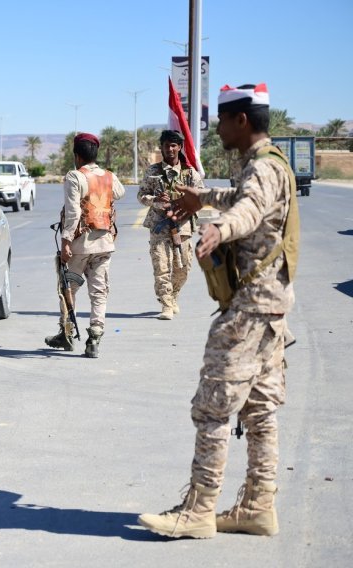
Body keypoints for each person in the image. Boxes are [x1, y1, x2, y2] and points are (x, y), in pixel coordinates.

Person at [138, 83, 299, 539]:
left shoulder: (261, 172)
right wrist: (203, 198)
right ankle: (257, 506)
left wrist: (218, 229)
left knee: (212, 408)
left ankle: (198, 511)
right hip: (270, 311)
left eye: (223, 121)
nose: (219, 130)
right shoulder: (270, 165)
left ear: (241, 121)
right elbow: (244, 199)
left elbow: (247, 210)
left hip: (247, 310)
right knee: (260, 410)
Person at [44, 132, 125, 357]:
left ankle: (67, 334)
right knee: (99, 293)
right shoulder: (109, 176)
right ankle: (94, 339)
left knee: (68, 290)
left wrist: (66, 241)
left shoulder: (74, 177)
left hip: (81, 245)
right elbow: (119, 192)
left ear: (77, 156)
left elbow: (73, 212)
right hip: (105, 243)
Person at [137, 130, 204, 319]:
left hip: (182, 225)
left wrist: (185, 200)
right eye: (167, 145)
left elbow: (200, 197)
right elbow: (141, 196)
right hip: (159, 224)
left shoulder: (190, 173)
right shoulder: (152, 172)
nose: (170, 149)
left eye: (174, 145)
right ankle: (166, 304)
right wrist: (156, 200)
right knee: (161, 266)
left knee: (183, 267)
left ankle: (173, 295)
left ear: (180, 147)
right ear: (162, 148)